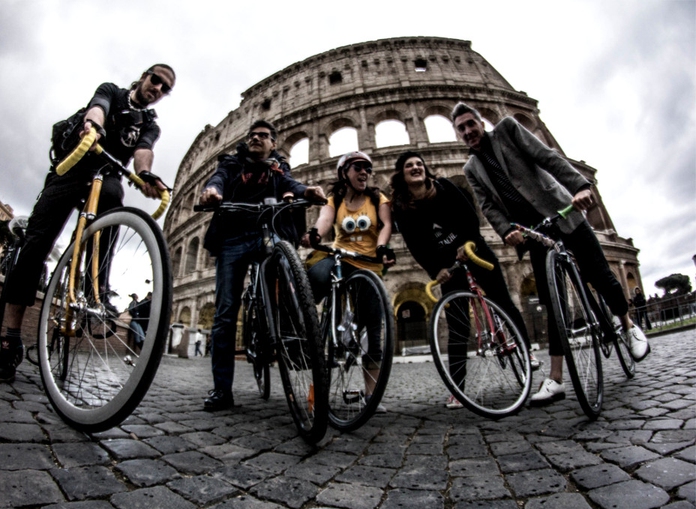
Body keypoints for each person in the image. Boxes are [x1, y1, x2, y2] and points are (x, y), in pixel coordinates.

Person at [451, 102, 650, 406]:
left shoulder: (507, 130)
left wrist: (580, 186)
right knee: (550, 302)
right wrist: (506, 230)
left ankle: (627, 325)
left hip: (561, 212)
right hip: (534, 233)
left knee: (600, 274)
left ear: (481, 123)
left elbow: (547, 157)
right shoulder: (471, 169)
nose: (467, 131)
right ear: (457, 134)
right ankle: (555, 379)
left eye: (470, 124)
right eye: (461, 128)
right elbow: (488, 206)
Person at [0, 65, 175, 383]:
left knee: (115, 195)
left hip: (108, 174)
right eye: (155, 79)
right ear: (144, 77)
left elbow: (144, 150)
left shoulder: (150, 124)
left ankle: (95, 287)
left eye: (165, 88)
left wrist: (145, 174)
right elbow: (97, 108)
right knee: (36, 244)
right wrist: (92, 127)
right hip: (75, 163)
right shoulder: (112, 91)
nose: (157, 87)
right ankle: (10, 339)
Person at [390, 151, 538, 409]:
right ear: (402, 175)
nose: (416, 167)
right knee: (458, 325)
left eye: (419, 163)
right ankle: (458, 390)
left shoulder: (445, 187)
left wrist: (467, 243)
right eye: (409, 165)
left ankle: (527, 352)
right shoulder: (402, 207)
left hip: (475, 250)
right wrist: (436, 270)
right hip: (447, 265)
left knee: (503, 301)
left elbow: (470, 216)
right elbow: (415, 244)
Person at [199, 119, 326, 411]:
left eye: (264, 136)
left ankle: (294, 341)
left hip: (267, 232)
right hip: (233, 236)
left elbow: (290, 184)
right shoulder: (232, 162)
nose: (257, 138)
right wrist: (213, 192)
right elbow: (218, 178)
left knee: (289, 287)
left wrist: (306, 191)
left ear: (273, 143)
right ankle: (222, 390)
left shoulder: (277, 166)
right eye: (253, 135)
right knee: (225, 312)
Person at [301, 151, 396, 414]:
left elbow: (386, 225)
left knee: (374, 331)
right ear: (345, 173)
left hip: (369, 264)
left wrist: (381, 247)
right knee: (318, 274)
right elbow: (325, 220)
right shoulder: (336, 198)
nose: (364, 172)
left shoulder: (378, 198)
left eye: (368, 168)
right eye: (358, 167)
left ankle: (370, 395)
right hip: (341, 259)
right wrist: (315, 234)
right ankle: (310, 320)